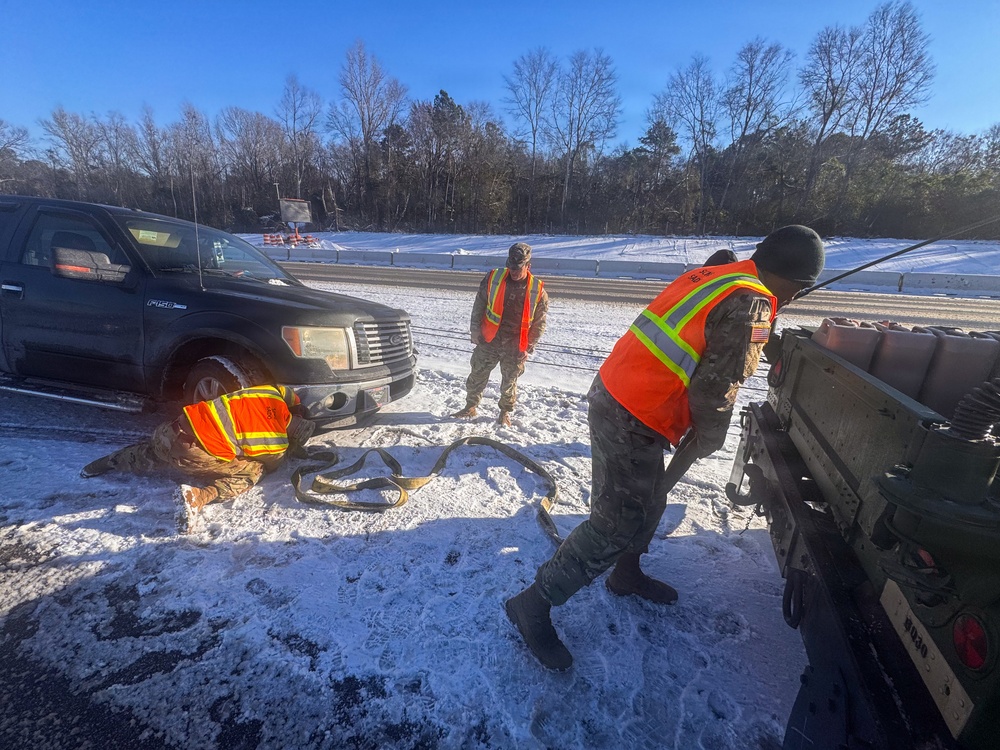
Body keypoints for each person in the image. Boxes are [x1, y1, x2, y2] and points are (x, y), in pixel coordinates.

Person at [504, 225, 825, 670]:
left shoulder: (720, 275)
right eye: (800, 291)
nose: (793, 300)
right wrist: (711, 435)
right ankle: (533, 604)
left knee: (652, 497)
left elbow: (716, 334)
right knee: (614, 524)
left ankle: (625, 572)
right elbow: (717, 387)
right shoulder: (752, 302)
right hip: (633, 413)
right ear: (793, 280)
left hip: (622, 394)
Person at [80, 384, 316, 519]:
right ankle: (200, 497)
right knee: (253, 472)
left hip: (171, 429)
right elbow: (272, 464)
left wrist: (296, 404)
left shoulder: (271, 393)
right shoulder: (276, 443)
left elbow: (287, 392)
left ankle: (106, 463)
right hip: (192, 454)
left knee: (150, 453)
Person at [452, 242, 549, 427]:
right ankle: (470, 407)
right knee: (477, 374)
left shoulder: (537, 290)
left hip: (515, 344)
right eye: (510, 267)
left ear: (528, 266)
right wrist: (475, 330)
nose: (513, 271)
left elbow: (539, 323)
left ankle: (505, 412)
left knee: (509, 382)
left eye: (518, 268)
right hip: (490, 339)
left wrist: (529, 346)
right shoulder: (494, 278)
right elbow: (479, 305)